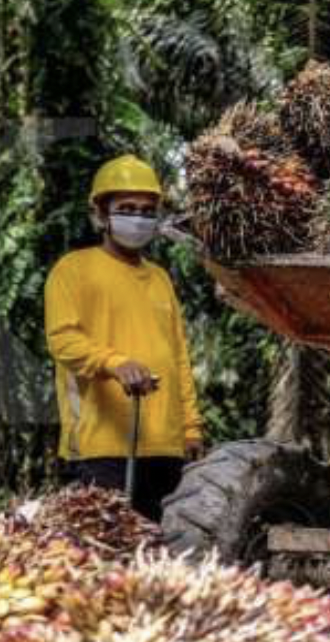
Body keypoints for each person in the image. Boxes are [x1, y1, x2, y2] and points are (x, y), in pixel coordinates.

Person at [44, 154, 205, 521]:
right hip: (101, 446)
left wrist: (191, 428)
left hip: (165, 447)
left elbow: (178, 356)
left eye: (148, 211)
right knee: (105, 553)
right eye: (127, 208)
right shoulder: (73, 270)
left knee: (160, 557)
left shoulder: (161, 278)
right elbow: (63, 341)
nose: (139, 217)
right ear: (101, 214)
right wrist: (116, 364)